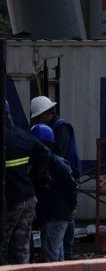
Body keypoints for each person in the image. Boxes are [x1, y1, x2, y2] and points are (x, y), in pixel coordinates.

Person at [31, 95, 80, 259]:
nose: (38, 121)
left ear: (46, 113)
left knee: (66, 214)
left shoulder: (61, 128)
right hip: (62, 175)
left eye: (38, 117)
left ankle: (67, 251)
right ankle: (64, 255)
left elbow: (58, 155)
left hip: (65, 175)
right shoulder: (51, 128)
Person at [1, 100, 49, 265]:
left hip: (10, 202)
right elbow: (44, 152)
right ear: (9, 114)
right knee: (21, 247)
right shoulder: (22, 135)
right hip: (28, 198)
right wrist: (35, 177)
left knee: (3, 244)